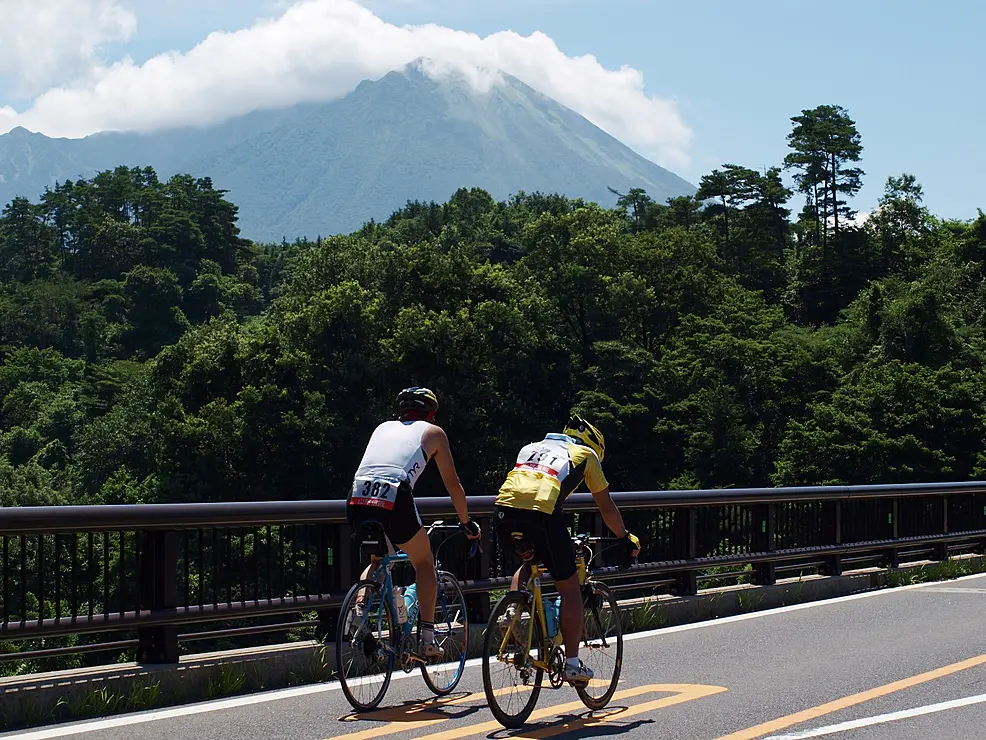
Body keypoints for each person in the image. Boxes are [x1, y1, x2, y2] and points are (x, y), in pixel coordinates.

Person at [493, 414, 640, 686]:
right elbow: (605, 505)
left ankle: (512, 612)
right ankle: (572, 664)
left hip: (503, 512)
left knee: (530, 563)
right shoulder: (586, 455)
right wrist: (624, 537)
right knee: (570, 587)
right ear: (594, 445)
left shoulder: (531, 447)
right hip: (542, 515)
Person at [346, 386, 481, 661]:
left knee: (377, 561)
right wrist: (466, 522)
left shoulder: (382, 427)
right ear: (430, 413)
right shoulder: (434, 433)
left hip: (357, 495)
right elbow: (453, 485)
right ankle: (428, 639)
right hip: (395, 496)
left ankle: (359, 610)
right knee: (423, 562)